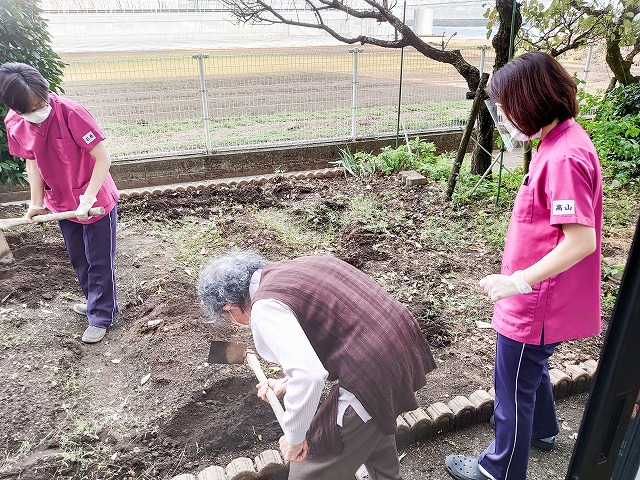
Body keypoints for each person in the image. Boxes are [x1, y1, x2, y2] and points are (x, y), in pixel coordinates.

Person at [445, 52, 603, 480]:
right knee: (529, 370)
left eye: (509, 106)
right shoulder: (559, 141)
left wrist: (518, 281)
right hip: (541, 298)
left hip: (535, 302)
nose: (507, 118)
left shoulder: (564, 157)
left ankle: (499, 470)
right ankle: (545, 431)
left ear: (531, 100)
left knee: (511, 387)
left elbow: (581, 240)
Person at [198, 251, 436, 480]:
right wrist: (288, 382)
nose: (233, 321)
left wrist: (294, 438)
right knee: (371, 426)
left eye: (228, 316)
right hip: (401, 344)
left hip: (372, 371)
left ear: (231, 307)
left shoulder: (265, 307)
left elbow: (310, 376)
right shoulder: (302, 266)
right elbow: (335, 330)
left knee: (313, 463)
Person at [0, 62, 119, 344]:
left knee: (99, 260)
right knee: (78, 257)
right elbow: (32, 162)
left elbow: (102, 159)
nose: (39, 112)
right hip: (62, 202)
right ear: (16, 109)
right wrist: (36, 202)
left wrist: (88, 198)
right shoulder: (15, 123)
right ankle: (94, 304)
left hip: (94, 198)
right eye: (30, 110)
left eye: (41, 104)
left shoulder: (71, 112)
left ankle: (103, 315)